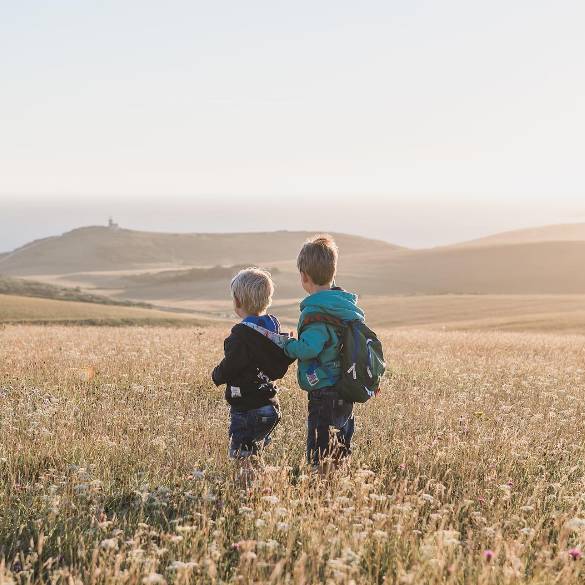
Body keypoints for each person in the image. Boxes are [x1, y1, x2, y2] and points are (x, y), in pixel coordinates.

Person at [284, 235, 365, 468]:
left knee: (319, 450)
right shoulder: (343, 306)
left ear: (304, 276)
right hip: (346, 386)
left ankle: (321, 487)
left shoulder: (316, 312)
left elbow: (309, 348)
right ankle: (338, 485)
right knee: (340, 443)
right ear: (332, 272)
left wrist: (288, 346)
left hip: (324, 390)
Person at [212, 267, 293, 459]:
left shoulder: (240, 336)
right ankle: (259, 486)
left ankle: (246, 487)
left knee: (241, 456)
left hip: (247, 409)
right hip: (270, 406)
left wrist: (217, 375)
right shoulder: (273, 330)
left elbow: (232, 365)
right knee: (255, 455)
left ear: (237, 301)